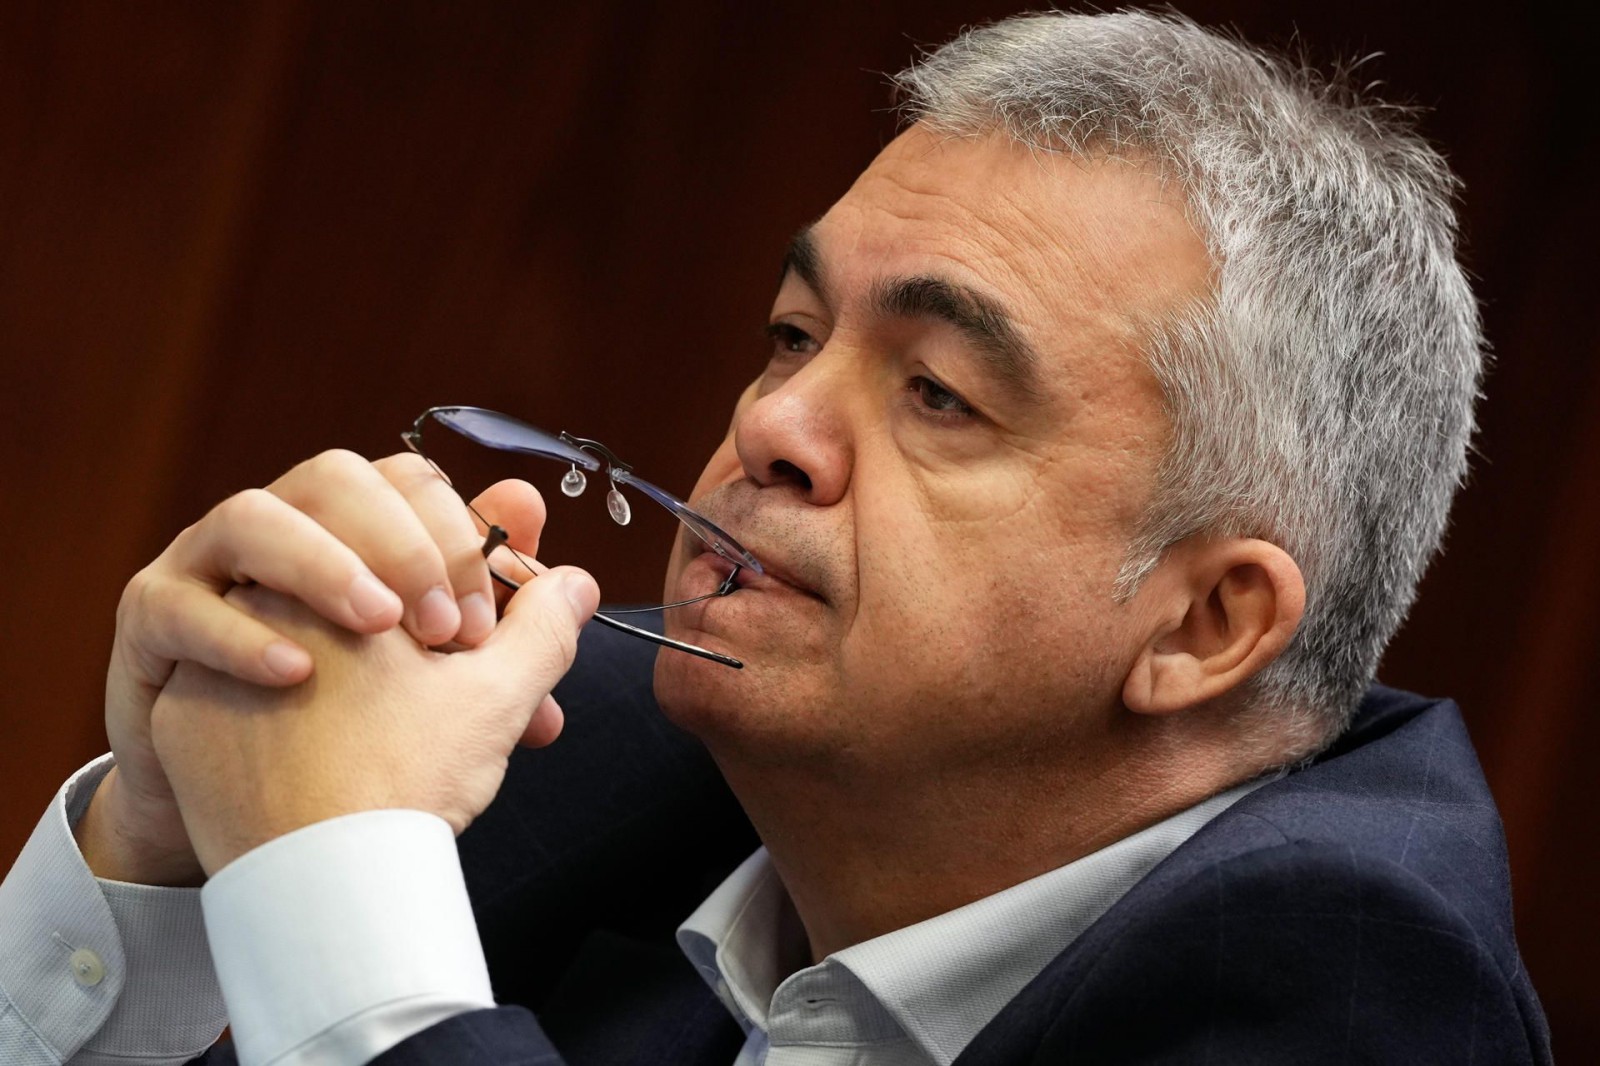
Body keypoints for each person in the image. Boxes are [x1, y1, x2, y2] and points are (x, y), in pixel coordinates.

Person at [0, 9, 1551, 1065]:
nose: (775, 424)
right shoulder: (586, 744)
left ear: (1205, 625)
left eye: (938, 393)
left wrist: (341, 876)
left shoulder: (1351, 993)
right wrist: (157, 859)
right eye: (793, 332)